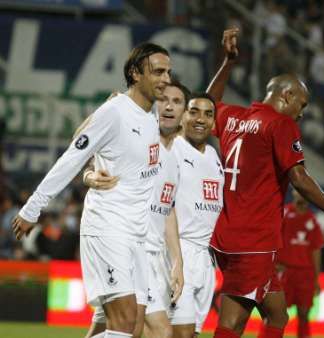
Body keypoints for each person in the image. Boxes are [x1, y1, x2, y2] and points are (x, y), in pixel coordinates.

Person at [12, 42, 171, 338]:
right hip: (108, 226)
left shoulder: (152, 116)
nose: (166, 79)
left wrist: (92, 171)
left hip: (137, 234)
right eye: (158, 71)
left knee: (133, 328)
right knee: (122, 323)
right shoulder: (114, 112)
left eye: (168, 72)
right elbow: (73, 155)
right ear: (135, 73)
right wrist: (33, 207)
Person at [207, 28, 324, 338]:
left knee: (277, 315)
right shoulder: (279, 123)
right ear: (286, 96)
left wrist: (228, 62)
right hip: (253, 240)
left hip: (227, 234)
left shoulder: (233, 117)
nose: (300, 115)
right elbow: (299, 178)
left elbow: (207, 105)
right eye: (301, 105)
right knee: (232, 322)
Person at [83, 81, 189, 338]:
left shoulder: (176, 158)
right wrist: (89, 175)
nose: (169, 106)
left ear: (185, 112)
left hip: (150, 253)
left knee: (113, 328)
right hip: (124, 242)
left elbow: (168, 211)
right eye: (164, 99)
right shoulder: (137, 135)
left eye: (177, 102)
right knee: (153, 330)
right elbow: (85, 147)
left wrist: (178, 262)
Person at [168, 92, 224, 338]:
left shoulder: (214, 156)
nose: (201, 119)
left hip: (205, 259)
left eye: (208, 113)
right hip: (178, 252)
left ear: (214, 123)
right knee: (178, 332)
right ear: (183, 116)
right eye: (194, 111)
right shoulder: (171, 149)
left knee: (191, 334)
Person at [275, 189, 324, 338]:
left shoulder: (313, 221)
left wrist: (316, 279)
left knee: (303, 314)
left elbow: (316, 251)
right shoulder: (284, 213)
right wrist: (273, 263)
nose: (301, 194)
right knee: (275, 312)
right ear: (293, 192)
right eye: (298, 191)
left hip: (305, 274)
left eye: (304, 192)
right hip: (285, 271)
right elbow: (273, 237)